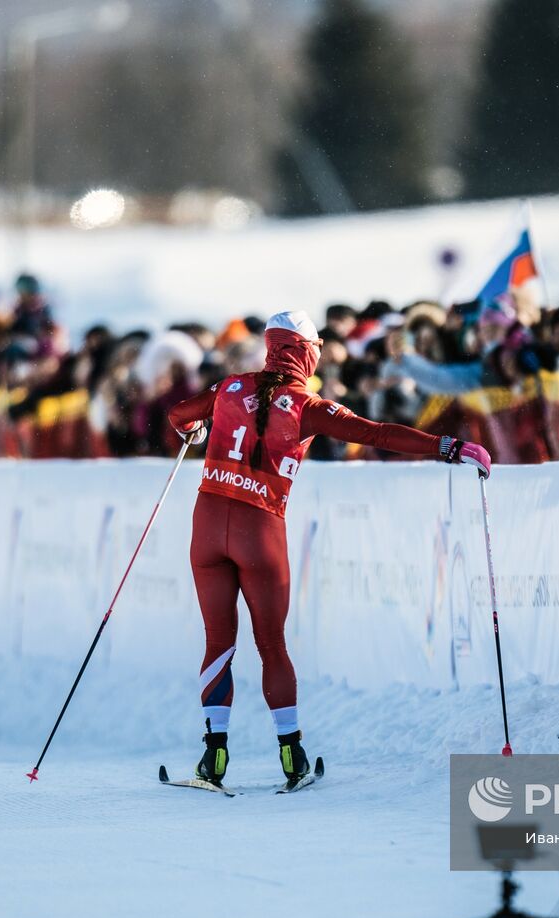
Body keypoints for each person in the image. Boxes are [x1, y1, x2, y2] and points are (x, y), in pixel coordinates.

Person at [165, 310, 490, 791]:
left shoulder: (229, 387)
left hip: (208, 525)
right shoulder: (308, 405)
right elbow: (377, 433)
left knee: (219, 642)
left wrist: (193, 431)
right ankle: (292, 758)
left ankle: (213, 759)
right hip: (260, 529)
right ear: (307, 352)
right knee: (271, 645)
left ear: (273, 346)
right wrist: (447, 446)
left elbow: (177, 415)